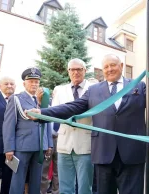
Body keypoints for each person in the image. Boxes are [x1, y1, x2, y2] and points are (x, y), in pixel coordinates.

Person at [27, 54, 147, 194]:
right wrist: (42, 113)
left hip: (132, 153)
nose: (109, 69)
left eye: (113, 65)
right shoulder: (94, 90)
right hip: (103, 153)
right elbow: (72, 107)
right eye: (106, 67)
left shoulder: (139, 86)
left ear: (121, 66)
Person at [47, 58, 94, 194]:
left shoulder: (93, 88)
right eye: (72, 69)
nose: (76, 72)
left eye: (79, 69)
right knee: (65, 187)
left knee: (85, 187)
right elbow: (54, 114)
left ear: (85, 71)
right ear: (68, 71)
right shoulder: (60, 90)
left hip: (85, 145)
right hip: (64, 145)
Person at [3, 67, 53, 194]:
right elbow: (9, 124)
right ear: (24, 83)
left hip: (40, 145)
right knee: (18, 179)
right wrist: (9, 148)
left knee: (37, 180)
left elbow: (46, 122)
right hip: (23, 145)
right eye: (31, 81)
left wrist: (49, 143)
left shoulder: (44, 100)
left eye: (36, 81)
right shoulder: (16, 99)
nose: (34, 84)